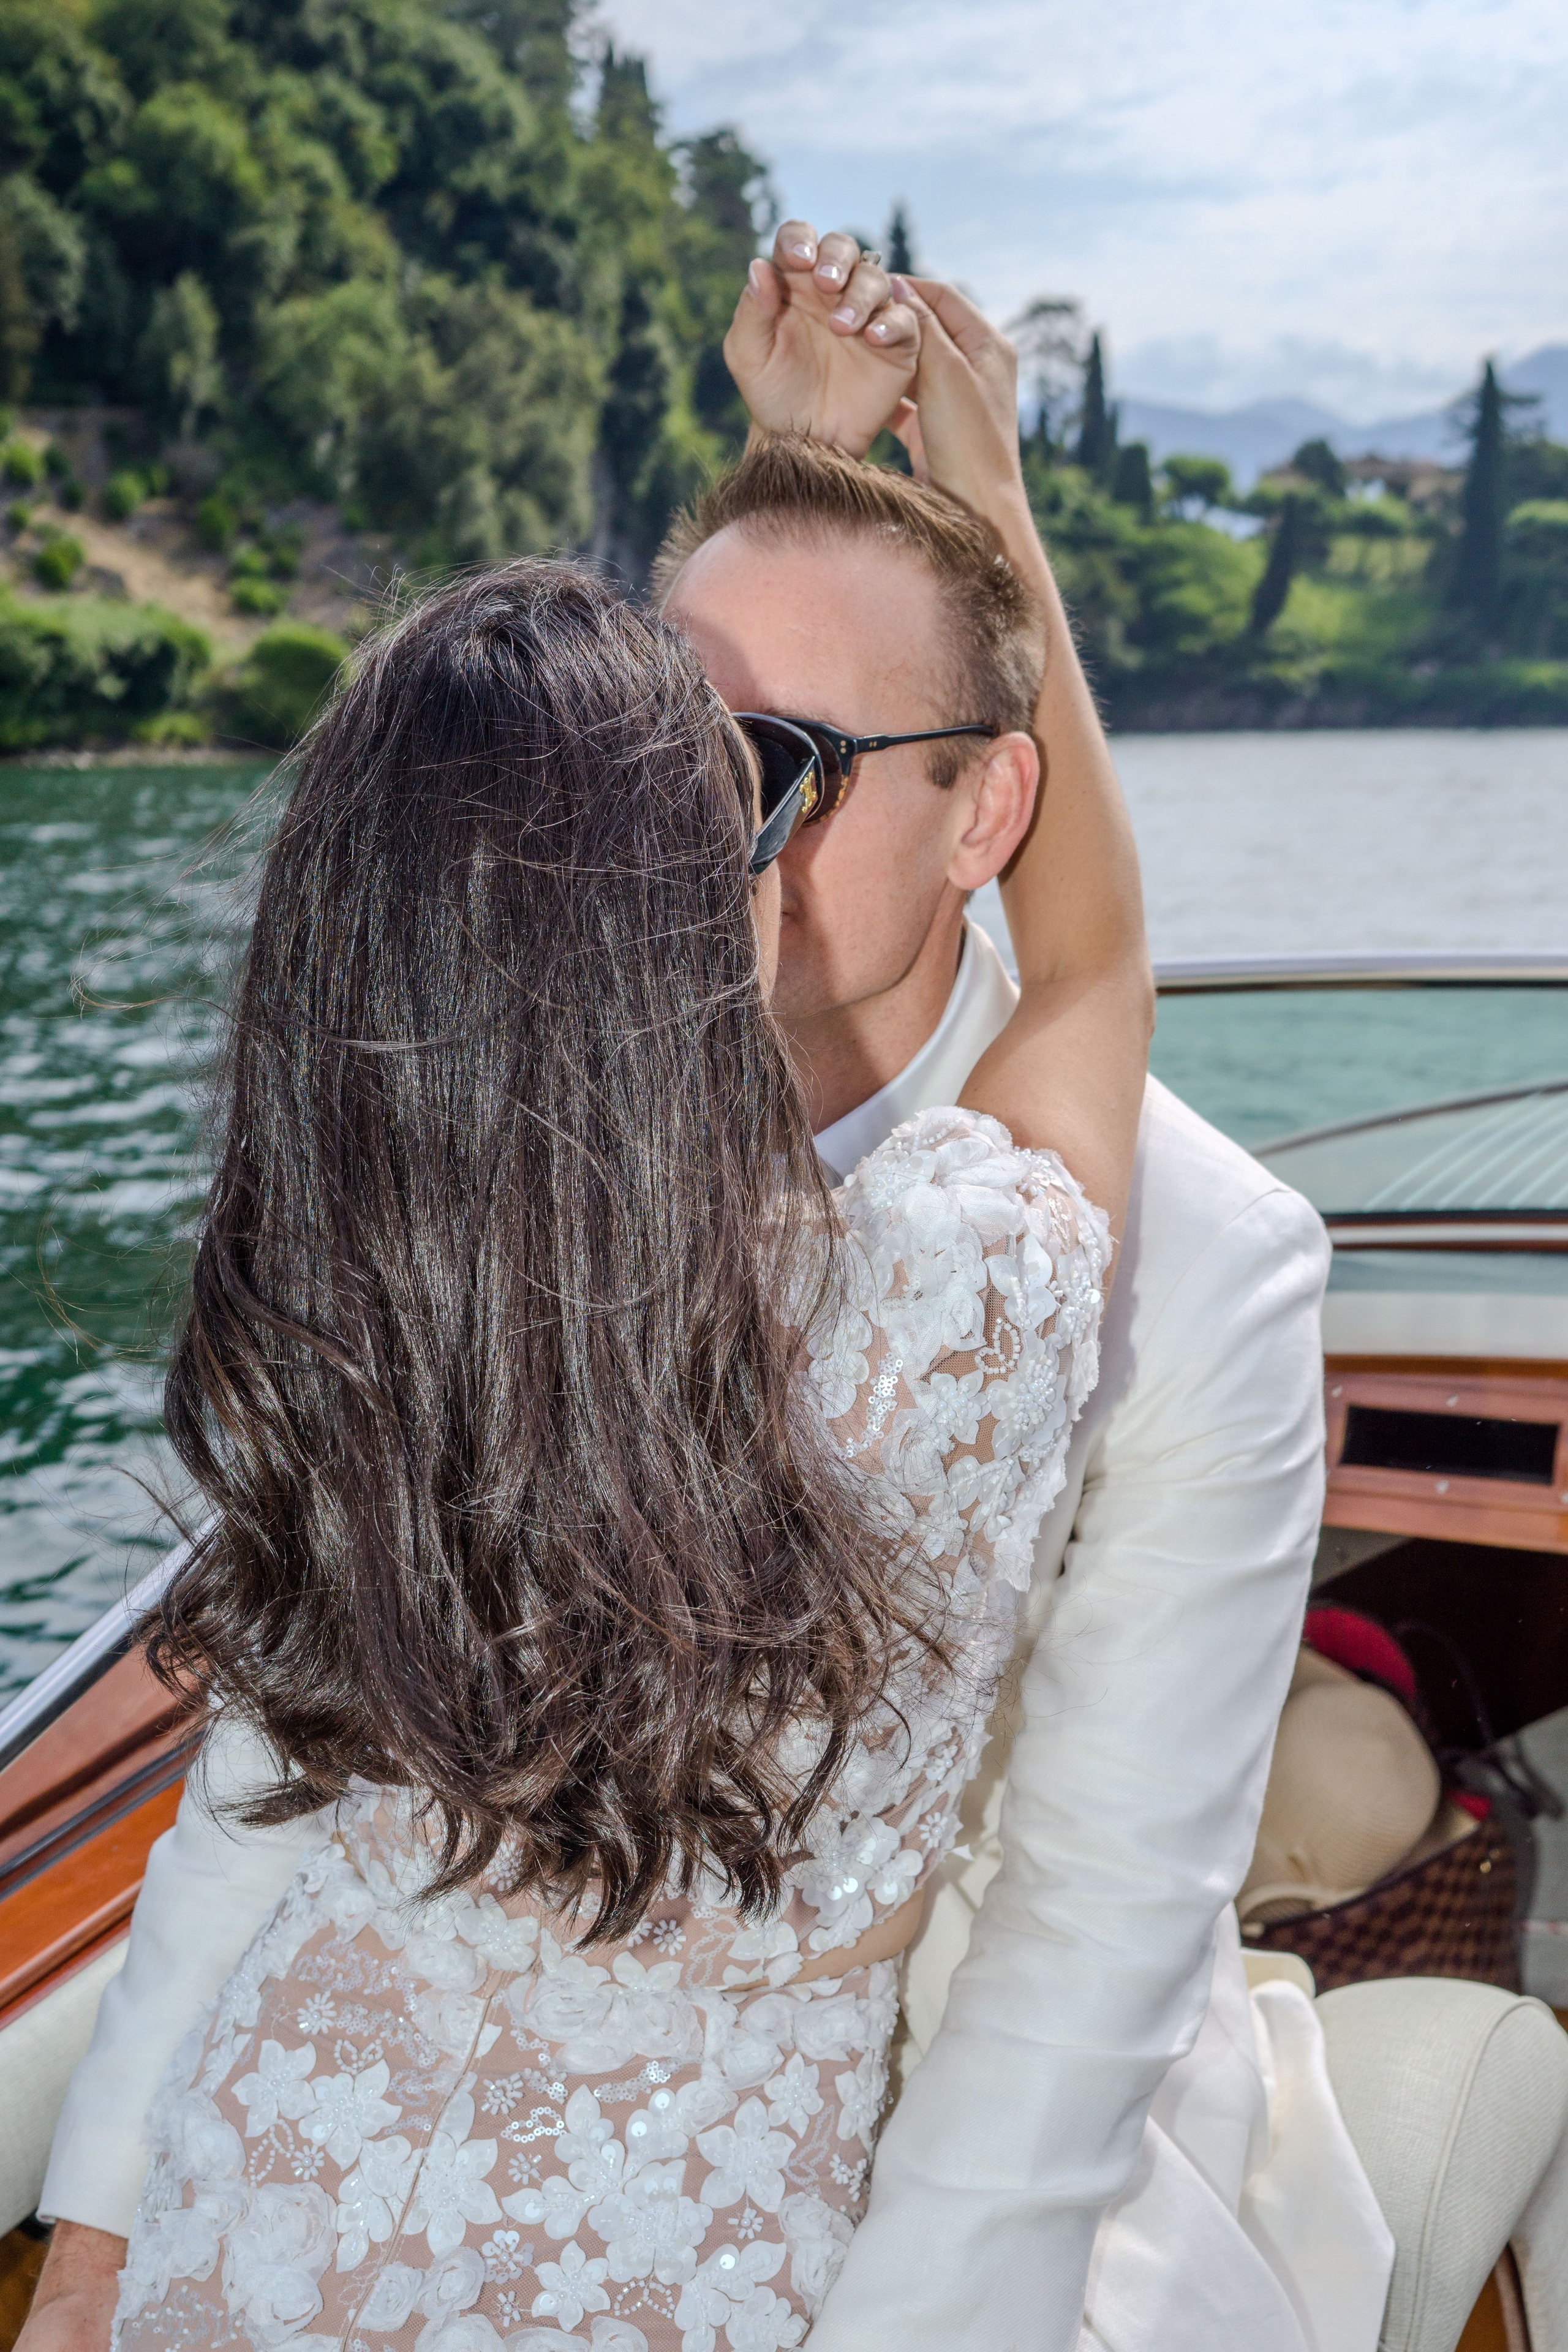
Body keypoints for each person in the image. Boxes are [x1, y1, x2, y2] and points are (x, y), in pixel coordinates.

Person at [20, 517, 1148, 2342]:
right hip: (655, 2257)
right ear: (684, 934)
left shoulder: (347, 1309)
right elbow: (1093, 971)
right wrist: (992, 494)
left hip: (273, 2182)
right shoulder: (938, 1301)